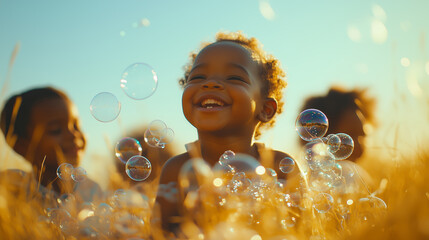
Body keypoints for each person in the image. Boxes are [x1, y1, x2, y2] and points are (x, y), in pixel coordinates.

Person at [155, 31, 297, 233]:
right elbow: (158, 233)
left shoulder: (280, 167)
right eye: (198, 77)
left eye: (234, 77)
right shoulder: (176, 169)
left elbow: (303, 231)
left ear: (265, 109)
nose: (210, 83)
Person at [0, 86, 99, 199]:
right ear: (21, 146)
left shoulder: (93, 191)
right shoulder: (13, 190)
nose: (73, 135)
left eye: (76, 126)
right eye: (56, 130)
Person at [299, 86, 376, 162]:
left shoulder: (360, 173)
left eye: (362, 136)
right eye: (350, 135)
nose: (360, 150)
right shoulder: (297, 173)